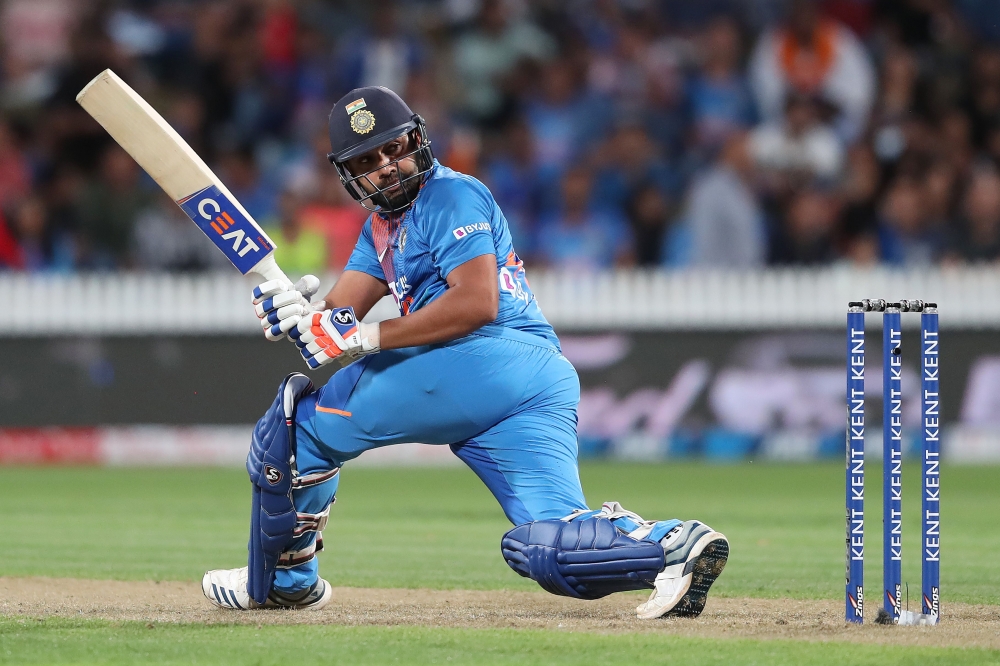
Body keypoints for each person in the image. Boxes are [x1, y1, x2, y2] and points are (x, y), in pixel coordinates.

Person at [201, 87, 728, 618]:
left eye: (395, 148)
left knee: (295, 430)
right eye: (369, 160)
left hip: (487, 356)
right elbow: (333, 325)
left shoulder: (451, 196)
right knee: (549, 548)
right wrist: (295, 312)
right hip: (535, 381)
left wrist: (365, 338)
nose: (387, 166)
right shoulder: (379, 229)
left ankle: (284, 582)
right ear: (348, 174)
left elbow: (476, 303)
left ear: (418, 139)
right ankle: (671, 546)